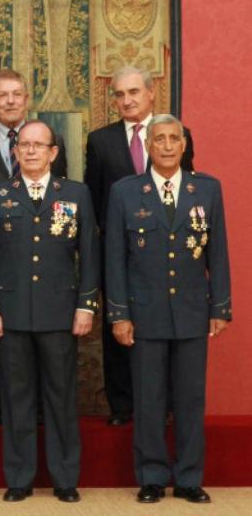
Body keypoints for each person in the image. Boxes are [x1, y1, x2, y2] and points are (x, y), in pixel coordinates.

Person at [104, 114, 229, 504]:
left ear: (185, 144)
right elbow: (115, 259)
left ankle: (190, 478)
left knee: (191, 399)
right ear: (149, 146)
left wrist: (220, 307)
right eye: (160, 139)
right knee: (149, 398)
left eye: (175, 138)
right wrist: (119, 313)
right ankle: (152, 476)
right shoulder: (126, 192)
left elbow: (217, 252)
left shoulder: (206, 189)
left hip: (192, 310)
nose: (168, 145)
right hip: (145, 313)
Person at [0, 120, 98, 503]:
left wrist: (86, 305)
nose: (29, 151)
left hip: (60, 314)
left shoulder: (75, 194)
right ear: (15, 151)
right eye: (23, 145)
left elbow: (90, 255)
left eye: (38, 145)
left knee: (61, 397)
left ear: (53, 152)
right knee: (17, 397)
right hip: (10, 314)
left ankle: (64, 478)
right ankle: (19, 478)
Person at [85, 66, 196, 427]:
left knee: (165, 326)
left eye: (133, 92)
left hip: (166, 252)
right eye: (119, 94)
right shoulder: (100, 141)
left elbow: (186, 193)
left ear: (151, 94)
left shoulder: (178, 135)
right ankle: (121, 405)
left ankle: (164, 405)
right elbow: (95, 199)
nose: (127, 100)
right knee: (118, 323)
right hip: (118, 251)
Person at [0, 69, 67, 425]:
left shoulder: (52, 140)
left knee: (40, 332)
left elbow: (58, 194)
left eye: (16, 94)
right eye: (2, 95)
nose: (9, 101)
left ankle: (37, 405)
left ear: (27, 99)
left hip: (42, 259)